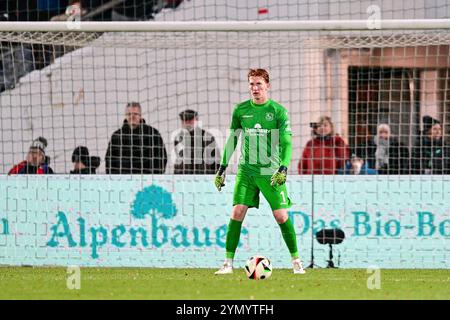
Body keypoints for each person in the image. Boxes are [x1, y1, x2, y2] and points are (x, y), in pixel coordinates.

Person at [214, 68, 305, 275]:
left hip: (271, 172)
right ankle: (228, 263)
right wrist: (222, 168)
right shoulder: (241, 110)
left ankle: (296, 261)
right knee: (237, 212)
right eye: (251, 84)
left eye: (259, 85)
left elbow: (287, 143)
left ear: (267, 86)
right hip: (246, 171)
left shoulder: (278, 112)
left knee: (281, 216)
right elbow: (233, 139)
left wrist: (283, 167)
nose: (255, 88)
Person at [105, 102, 168, 174]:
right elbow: (109, 161)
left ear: (140, 116)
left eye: (135, 114)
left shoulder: (153, 134)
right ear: (125, 116)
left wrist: (152, 178)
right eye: (129, 114)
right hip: (123, 182)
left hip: (147, 181)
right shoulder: (116, 136)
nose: (132, 116)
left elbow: (162, 159)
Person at [173, 109, 220, 174]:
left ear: (196, 120)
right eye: (185, 120)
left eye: (190, 119)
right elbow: (178, 160)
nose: (188, 122)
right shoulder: (178, 138)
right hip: (183, 177)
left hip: (203, 177)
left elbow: (216, 160)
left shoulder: (207, 137)